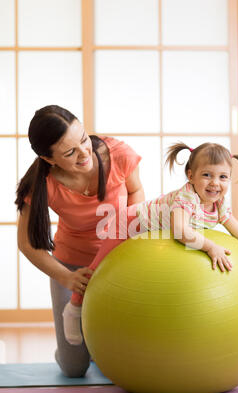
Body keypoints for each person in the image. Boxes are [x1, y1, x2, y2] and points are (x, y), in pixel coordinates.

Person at [62, 141, 238, 346]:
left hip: (151, 240)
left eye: (223, 177)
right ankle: (73, 309)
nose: (215, 183)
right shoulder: (187, 197)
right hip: (128, 224)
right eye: (207, 175)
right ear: (191, 176)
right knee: (97, 268)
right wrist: (210, 247)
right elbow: (180, 231)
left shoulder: (218, 204)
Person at [15, 105, 145, 377]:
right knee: (74, 367)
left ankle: (96, 345)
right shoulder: (42, 184)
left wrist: (131, 238)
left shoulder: (118, 155)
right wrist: (66, 278)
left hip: (117, 263)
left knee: (124, 354)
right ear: (49, 159)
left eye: (84, 139)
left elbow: (136, 192)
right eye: (69, 152)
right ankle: (73, 350)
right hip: (72, 268)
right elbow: (27, 245)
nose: (84, 153)